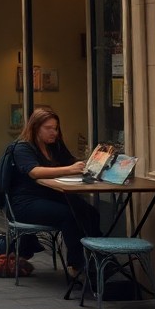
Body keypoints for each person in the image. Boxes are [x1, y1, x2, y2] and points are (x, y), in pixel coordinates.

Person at [9, 108, 101, 279]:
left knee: (90, 213)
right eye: (48, 128)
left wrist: (90, 165)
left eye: (56, 128)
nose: (54, 132)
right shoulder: (22, 148)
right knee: (69, 215)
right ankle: (77, 266)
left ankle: (99, 260)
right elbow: (34, 172)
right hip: (26, 203)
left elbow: (72, 162)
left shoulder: (55, 146)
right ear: (35, 128)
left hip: (52, 196)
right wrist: (69, 169)